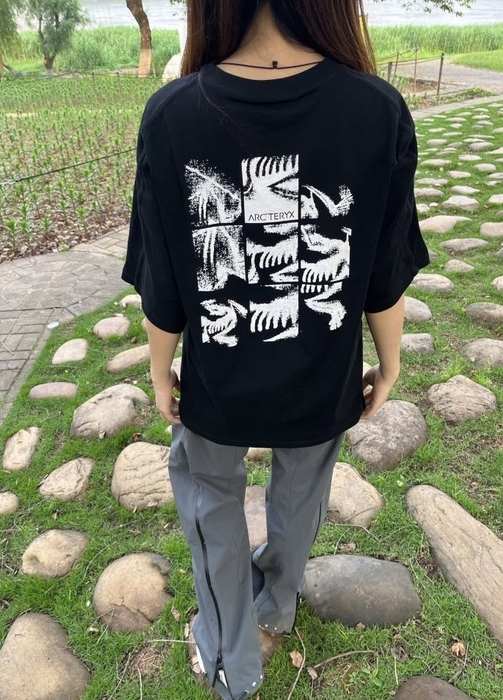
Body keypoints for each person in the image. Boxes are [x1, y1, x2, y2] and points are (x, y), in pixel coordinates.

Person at [120, 1, 430, 697]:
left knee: (210, 503)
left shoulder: (172, 114)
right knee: (301, 491)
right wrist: (390, 362)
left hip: (217, 383)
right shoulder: (377, 109)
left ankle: (232, 661)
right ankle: (278, 601)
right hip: (321, 379)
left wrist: (160, 371)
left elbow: (162, 280)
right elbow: (385, 271)